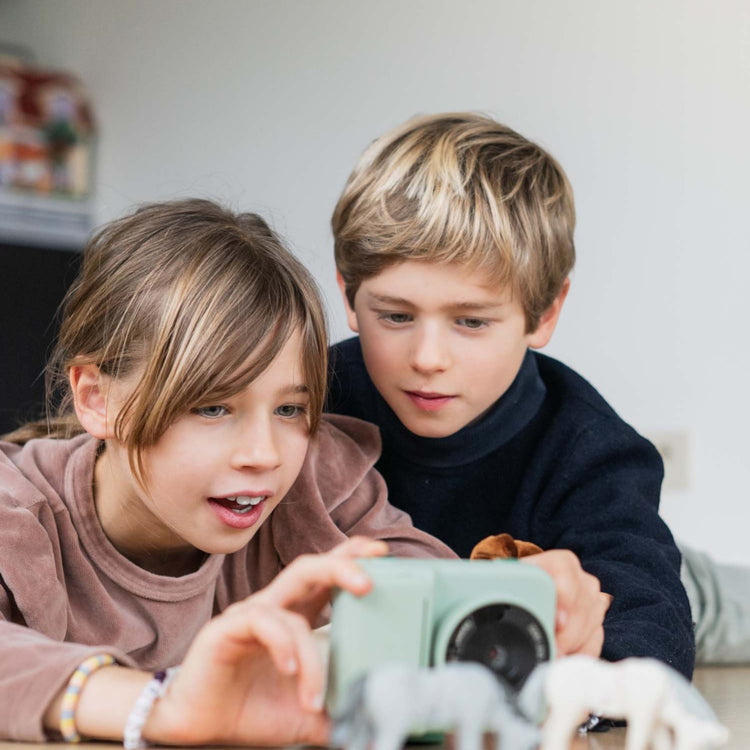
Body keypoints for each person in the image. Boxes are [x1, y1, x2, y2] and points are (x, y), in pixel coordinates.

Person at [0, 199, 456, 745]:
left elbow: (440, 599)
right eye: (213, 408)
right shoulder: (18, 516)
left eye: (290, 409)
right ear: (98, 399)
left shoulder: (315, 482)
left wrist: (528, 598)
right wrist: (162, 708)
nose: (264, 454)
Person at [326, 112, 695, 679]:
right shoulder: (303, 403)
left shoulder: (592, 448)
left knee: (713, 605)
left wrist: (588, 638)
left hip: (639, 562)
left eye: (471, 322)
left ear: (543, 314)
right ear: (349, 295)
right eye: (396, 315)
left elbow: (654, 636)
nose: (427, 357)